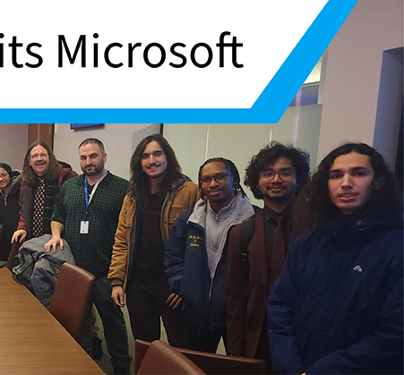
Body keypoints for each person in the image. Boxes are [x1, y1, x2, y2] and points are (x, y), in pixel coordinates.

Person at [267, 143, 403, 375]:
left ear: (377, 181)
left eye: (358, 173)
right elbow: (280, 305)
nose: (346, 183)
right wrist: (290, 367)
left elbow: (394, 334)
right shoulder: (308, 243)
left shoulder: (396, 246)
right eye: (336, 175)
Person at [46, 138, 131, 375]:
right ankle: (79, 363)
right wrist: (55, 234)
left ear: (104, 157)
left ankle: (122, 367)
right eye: (83, 157)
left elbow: (127, 232)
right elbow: (57, 215)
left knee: (113, 323)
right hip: (74, 269)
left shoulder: (122, 188)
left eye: (93, 156)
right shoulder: (71, 186)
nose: (88, 162)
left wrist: (119, 275)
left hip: (105, 270)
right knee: (76, 320)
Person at [109, 134, 199, 348]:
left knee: (182, 348)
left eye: (157, 154)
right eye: (145, 156)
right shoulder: (132, 196)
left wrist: (185, 285)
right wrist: (116, 281)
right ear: (139, 162)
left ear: (168, 157)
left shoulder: (189, 191)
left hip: (172, 287)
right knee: (144, 346)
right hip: (138, 285)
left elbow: (199, 244)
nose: (152, 161)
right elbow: (121, 240)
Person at [225, 143, 310, 366]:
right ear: (257, 182)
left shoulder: (317, 228)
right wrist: (236, 354)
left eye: (285, 172)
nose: (275, 179)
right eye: (267, 173)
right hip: (259, 337)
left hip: (307, 336)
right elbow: (236, 298)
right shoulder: (241, 233)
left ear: (298, 178)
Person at [164, 157, 255, 353]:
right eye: (206, 179)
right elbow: (173, 257)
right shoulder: (188, 220)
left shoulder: (253, 220)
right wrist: (184, 287)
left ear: (234, 180)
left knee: (240, 366)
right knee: (195, 365)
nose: (213, 183)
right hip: (197, 312)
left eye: (220, 177)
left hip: (237, 314)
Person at [12, 141, 78, 243]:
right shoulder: (26, 181)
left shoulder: (67, 176)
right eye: (35, 156)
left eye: (43, 155)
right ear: (29, 161)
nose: (39, 159)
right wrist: (22, 228)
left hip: (60, 242)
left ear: (50, 158)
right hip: (34, 242)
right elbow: (23, 209)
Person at [0, 163, 21, 260]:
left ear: (10, 176)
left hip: (19, 236)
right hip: (3, 239)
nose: (1, 179)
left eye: (4, 175)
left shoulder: (20, 192)